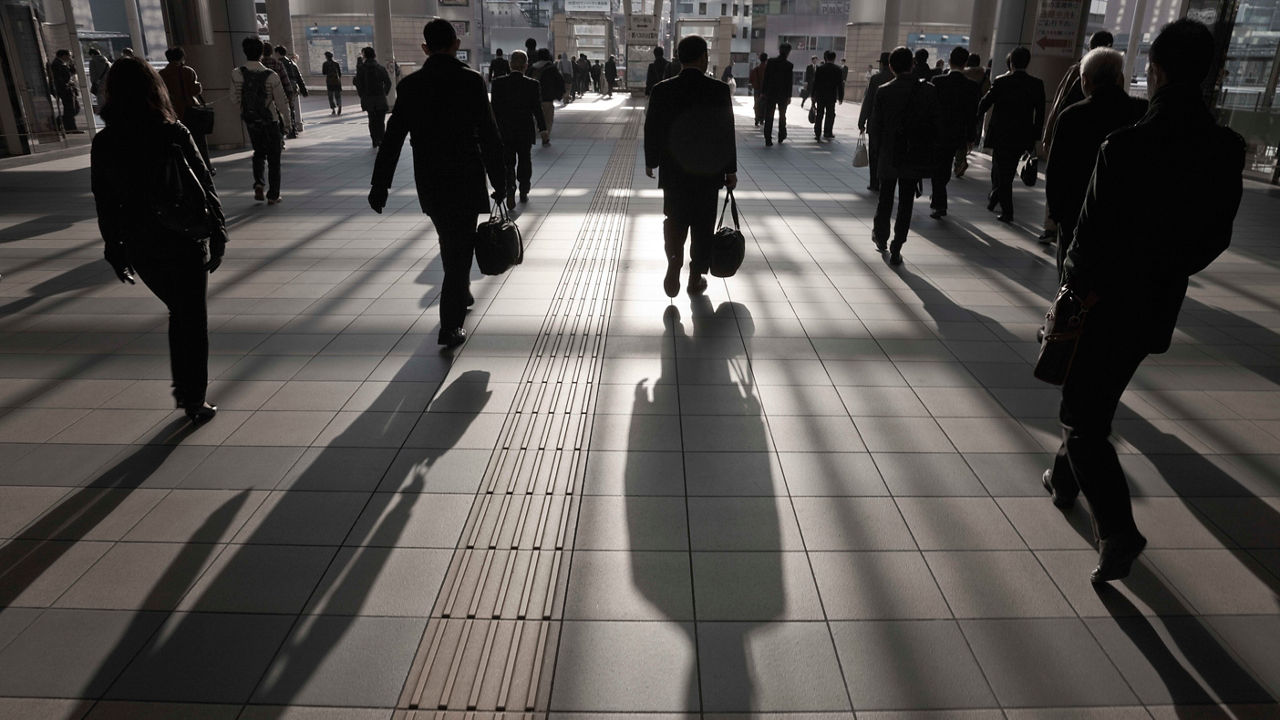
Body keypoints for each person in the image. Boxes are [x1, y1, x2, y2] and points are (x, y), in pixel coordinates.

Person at [1050, 18, 1245, 584]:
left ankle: (1119, 531)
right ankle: (1063, 479)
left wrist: (1072, 292)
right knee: (1097, 392)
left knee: (1083, 418)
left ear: (1155, 71)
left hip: (1101, 299)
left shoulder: (1126, 146)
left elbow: (1085, 242)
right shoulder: (1225, 148)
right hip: (1157, 301)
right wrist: (1166, 265)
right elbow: (1216, 237)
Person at [91, 56, 225, 424]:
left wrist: (113, 247)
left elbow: (104, 201)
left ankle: (188, 393)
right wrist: (219, 231)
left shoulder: (105, 142)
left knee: (179, 311)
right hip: (184, 237)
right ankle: (192, 398)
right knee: (190, 317)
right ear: (155, 89)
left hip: (140, 243)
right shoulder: (173, 132)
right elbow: (204, 185)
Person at [370, 19, 505, 348]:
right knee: (458, 249)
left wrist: (380, 185)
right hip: (466, 176)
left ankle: (460, 291)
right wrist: (502, 181)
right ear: (457, 44)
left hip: (430, 180)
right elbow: (489, 135)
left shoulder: (411, 86)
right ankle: (450, 325)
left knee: (452, 241)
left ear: (425, 48)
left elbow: (392, 139)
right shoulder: (471, 81)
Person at [644, 34, 737, 298]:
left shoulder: (663, 89)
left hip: (674, 172)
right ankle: (695, 277)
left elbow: (652, 129)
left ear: (679, 58)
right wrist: (730, 170)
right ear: (703, 57)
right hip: (709, 173)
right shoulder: (718, 90)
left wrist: (652, 161)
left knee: (675, 219)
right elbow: (726, 132)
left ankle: (674, 260)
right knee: (703, 225)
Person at [1044, 47, 1147, 275]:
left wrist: (1057, 214)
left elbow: (1057, 170)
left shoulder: (1072, 115)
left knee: (1071, 279)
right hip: (1126, 216)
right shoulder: (1140, 112)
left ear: (1085, 79)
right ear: (1120, 78)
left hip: (1077, 212)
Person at [1040, 30, 1116, 243]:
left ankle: (1052, 225)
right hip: (1099, 138)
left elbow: (1059, 103)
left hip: (1072, 134)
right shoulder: (1114, 73)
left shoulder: (1077, 70)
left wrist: (1049, 133)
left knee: (1061, 176)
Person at [870, 46, 940, 266]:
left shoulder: (883, 91)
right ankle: (898, 245)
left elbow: (876, 127)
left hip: (890, 154)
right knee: (906, 201)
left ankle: (881, 237)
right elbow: (935, 125)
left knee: (885, 198)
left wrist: (878, 154)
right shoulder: (928, 90)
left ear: (891, 66)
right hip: (913, 154)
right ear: (912, 65)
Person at [976, 46, 1044, 222]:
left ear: (1011, 63)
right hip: (1023, 135)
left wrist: (976, 117)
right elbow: (1041, 113)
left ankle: (1007, 212)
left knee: (1002, 172)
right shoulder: (1036, 84)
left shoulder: (1001, 81)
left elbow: (985, 103)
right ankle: (994, 200)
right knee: (1008, 171)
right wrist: (1035, 138)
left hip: (1001, 134)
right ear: (1027, 63)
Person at [231, 36, 289, 204]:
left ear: (245, 51)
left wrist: (247, 107)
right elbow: (281, 102)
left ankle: (258, 183)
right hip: (269, 120)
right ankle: (273, 195)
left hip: (251, 120)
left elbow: (234, 99)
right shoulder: (271, 75)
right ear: (262, 52)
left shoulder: (237, 73)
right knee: (274, 157)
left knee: (258, 152)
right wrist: (288, 124)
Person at [928, 46, 981, 218]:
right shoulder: (972, 87)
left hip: (937, 132)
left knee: (939, 167)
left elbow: (931, 109)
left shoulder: (937, 81)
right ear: (965, 63)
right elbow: (973, 115)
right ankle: (938, 197)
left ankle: (939, 202)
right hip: (958, 133)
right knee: (945, 166)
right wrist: (971, 137)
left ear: (949, 61)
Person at [492, 50, 548, 208]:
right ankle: (524, 189)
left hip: (505, 130)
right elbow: (537, 109)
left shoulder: (498, 83)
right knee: (524, 159)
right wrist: (543, 129)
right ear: (526, 65)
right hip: (524, 129)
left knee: (508, 162)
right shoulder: (532, 84)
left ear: (510, 65)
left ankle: (510, 188)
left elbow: (494, 109)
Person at [159, 47, 213, 173]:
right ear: (182, 57)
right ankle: (206, 168)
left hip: (173, 113)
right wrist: (198, 86)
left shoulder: (162, 74)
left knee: (178, 142)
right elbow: (194, 90)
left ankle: (184, 169)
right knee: (199, 142)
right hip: (190, 109)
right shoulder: (187, 71)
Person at [858, 52, 892, 191]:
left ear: (882, 64)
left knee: (874, 154)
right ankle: (886, 181)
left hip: (875, 123)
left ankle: (874, 182)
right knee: (889, 153)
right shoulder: (896, 78)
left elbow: (868, 100)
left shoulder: (875, 79)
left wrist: (862, 121)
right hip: (892, 125)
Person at [354, 46, 392, 147]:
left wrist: (362, 95)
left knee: (372, 120)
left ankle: (374, 139)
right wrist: (384, 93)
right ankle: (382, 139)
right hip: (380, 98)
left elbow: (358, 83)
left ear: (364, 55)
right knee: (380, 121)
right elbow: (388, 82)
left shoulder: (361, 69)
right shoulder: (380, 68)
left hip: (368, 98)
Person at [527, 48, 564, 141]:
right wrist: (559, 95)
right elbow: (560, 81)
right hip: (547, 97)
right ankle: (545, 136)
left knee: (535, 117)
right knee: (548, 119)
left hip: (534, 98)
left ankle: (536, 132)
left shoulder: (532, 68)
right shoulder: (552, 68)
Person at [761, 42, 793, 146]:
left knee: (769, 116)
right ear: (788, 52)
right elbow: (789, 82)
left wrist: (763, 92)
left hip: (771, 93)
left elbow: (766, 78)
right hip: (783, 94)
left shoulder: (771, 62)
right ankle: (781, 135)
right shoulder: (789, 65)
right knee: (782, 115)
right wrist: (789, 96)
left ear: (779, 51)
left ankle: (768, 138)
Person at [810, 50, 843, 141]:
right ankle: (827, 132)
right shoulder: (838, 70)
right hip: (831, 96)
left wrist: (813, 95)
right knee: (830, 114)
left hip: (820, 95)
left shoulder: (820, 68)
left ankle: (817, 133)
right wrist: (840, 97)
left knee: (819, 114)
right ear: (834, 58)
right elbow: (840, 85)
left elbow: (815, 83)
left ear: (826, 58)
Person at [276, 45, 307, 136]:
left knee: (283, 109)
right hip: (293, 87)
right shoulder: (292, 63)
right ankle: (293, 129)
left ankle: (287, 129)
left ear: (278, 53)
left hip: (284, 87)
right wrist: (303, 89)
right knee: (291, 108)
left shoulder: (279, 63)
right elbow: (299, 77)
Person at [50, 49, 81, 133]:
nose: (70, 57)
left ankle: (59, 122)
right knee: (70, 109)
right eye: (69, 55)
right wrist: (66, 85)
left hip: (68, 89)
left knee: (74, 109)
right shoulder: (56, 64)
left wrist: (71, 64)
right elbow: (58, 78)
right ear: (63, 55)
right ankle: (71, 128)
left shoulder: (62, 63)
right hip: (65, 90)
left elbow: (73, 72)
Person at [749, 52, 768, 126]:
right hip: (766, 91)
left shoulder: (755, 70)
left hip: (757, 89)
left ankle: (757, 118)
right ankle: (762, 119)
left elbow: (751, 80)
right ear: (766, 59)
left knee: (757, 104)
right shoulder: (769, 70)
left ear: (760, 59)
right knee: (764, 105)